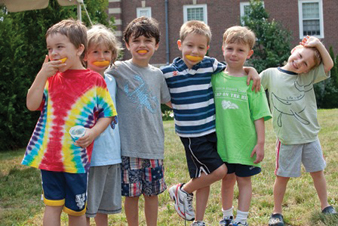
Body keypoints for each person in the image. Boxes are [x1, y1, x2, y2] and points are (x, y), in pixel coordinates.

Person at [161, 20, 261, 226]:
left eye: (200, 47)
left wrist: (251, 70)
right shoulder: (167, 73)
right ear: (180, 44)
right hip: (192, 135)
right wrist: (179, 106)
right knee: (219, 172)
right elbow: (163, 96)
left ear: (207, 49)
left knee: (203, 176)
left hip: (212, 131)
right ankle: (182, 190)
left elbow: (234, 70)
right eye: (189, 46)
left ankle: (198, 220)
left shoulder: (211, 65)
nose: (194, 51)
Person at [21, 19, 117, 226]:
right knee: (52, 206)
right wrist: (41, 76)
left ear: (79, 49)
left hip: (76, 160)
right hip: (50, 157)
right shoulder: (50, 79)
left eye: (60, 47)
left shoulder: (94, 80)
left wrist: (93, 133)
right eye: (50, 48)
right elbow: (31, 104)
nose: (54, 53)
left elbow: (108, 114)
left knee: (76, 211)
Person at [259, 36, 336, 226]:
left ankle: (325, 205)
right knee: (282, 176)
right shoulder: (270, 74)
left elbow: (329, 64)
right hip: (287, 138)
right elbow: (252, 86)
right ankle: (276, 212)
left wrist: (317, 44)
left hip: (310, 137)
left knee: (317, 172)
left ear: (308, 70)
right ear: (294, 49)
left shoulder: (306, 76)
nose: (299, 62)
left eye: (305, 63)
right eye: (300, 56)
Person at [105, 16, 171, 226]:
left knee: (152, 195)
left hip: (153, 146)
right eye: (136, 40)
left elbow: (170, 102)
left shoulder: (158, 74)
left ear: (156, 45)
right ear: (127, 44)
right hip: (128, 147)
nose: (142, 45)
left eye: (148, 40)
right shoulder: (116, 69)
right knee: (131, 195)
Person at [212, 26, 272, 226]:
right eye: (230, 48)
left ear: (249, 53)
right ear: (222, 48)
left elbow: (259, 115)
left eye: (240, 50)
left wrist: (261, 143)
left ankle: (242, 219)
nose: (234, 54)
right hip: (222, 143)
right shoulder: (215, 78)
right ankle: (227, 216)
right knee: (226, 180)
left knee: (244, 181)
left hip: (246, 143)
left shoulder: (251, 82)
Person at [84, 24, 122, 226]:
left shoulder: (112, 80)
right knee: (86, 207)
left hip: (112, 153)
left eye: (106, 52)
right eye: (95, 52)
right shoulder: (82, 81)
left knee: (103, 207)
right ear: (84, 55)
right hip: (91, 155)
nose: (101, 56)